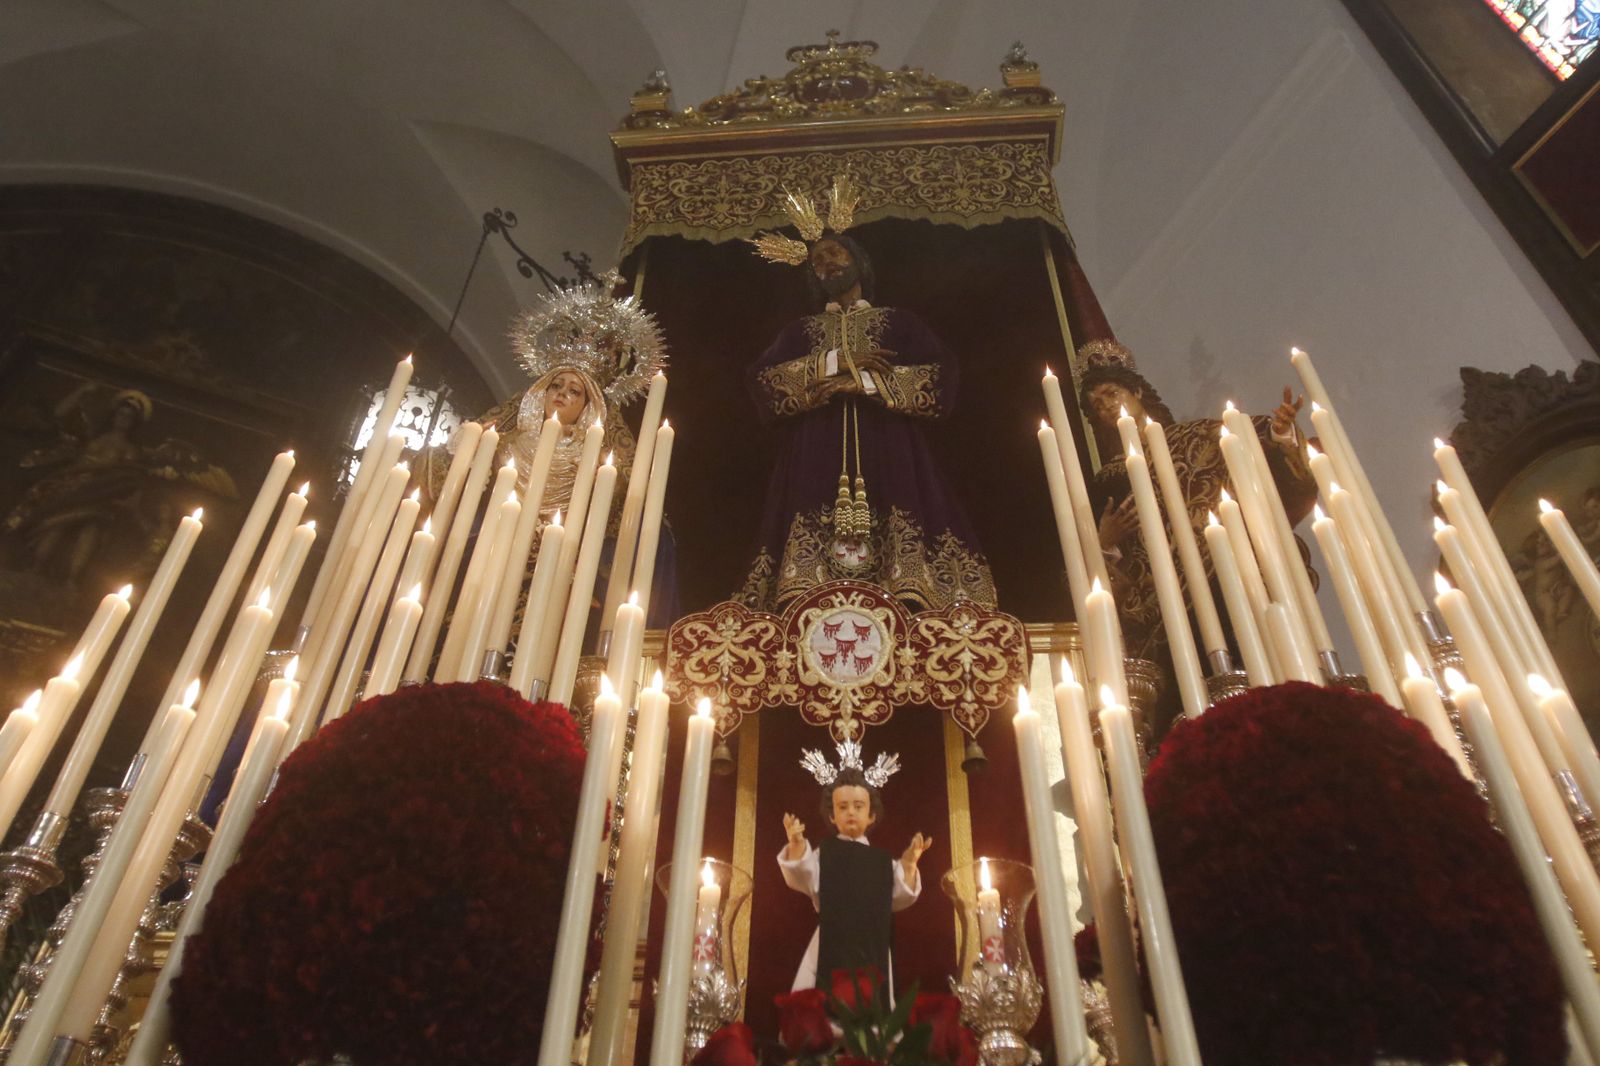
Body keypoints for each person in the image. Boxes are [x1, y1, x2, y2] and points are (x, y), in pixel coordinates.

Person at [738, 177, 995, 614]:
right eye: (818, 261)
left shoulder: (898, 322)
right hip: (814, 446)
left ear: (857, 260)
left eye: (835, 253)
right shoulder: (800, 332)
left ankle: (908, 592)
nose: (827, 264)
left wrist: (868, 384)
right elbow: (762, 380)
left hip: (890, 442)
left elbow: (941, 374)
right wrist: (834, 362)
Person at [420, 274, 677, 628]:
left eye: (575, 391)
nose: (562, 394)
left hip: (554, 574)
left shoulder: (597, 466)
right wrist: (461, 450)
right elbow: (448, 484)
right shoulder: (503, 442)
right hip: (487, 559)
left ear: (589, 406)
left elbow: (624, 523)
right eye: (556, 385)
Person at [1074, 341, 1318, 663]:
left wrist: (1280, 433)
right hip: (1163, 611)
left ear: (1137, 391)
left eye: (1111, 393)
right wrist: (1106, 540)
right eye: (1097, 404)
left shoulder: (1200, 436)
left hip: (1229, 576)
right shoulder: (1107, 480)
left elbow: (1256, 452)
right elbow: (1088, 563)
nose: (1106, 406)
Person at [778, 742, 930, 998]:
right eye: (843, 807)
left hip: (873, 946)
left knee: (874, 1004)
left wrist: (908, 864)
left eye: (858, 806)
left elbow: (899, 896)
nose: (851, 813)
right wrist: (796, 845)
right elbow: (804, 876)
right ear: (832, 815)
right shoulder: (824, 854)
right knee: (822, 1003)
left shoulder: (882, 862)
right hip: (831, 941)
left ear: (871, 815)